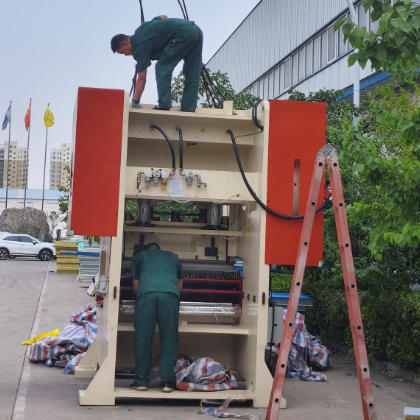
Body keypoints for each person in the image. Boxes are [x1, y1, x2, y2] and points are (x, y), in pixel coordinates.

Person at [111, 15, 203, 112]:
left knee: (162, 67)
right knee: (193, 72)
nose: (125, 55)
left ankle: (164, 105)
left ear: (126, 44)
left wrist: (135, 102)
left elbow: (141, 78)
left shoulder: (139, 47)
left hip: (183, 34)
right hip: (195, 30)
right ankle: (188, 108)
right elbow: (163, 17)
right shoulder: (141, 29)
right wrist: (164, 32)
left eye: (123, 52)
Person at [130, 242, 183, 392]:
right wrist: (172, 295)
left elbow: (136, 284)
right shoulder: (173, 257)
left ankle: (141, 382)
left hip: (147, 296)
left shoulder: (140, 256)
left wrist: (142, 298)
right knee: (169, 338)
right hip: (170, 296)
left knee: (143, 338)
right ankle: (167, 383)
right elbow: (179, 282)